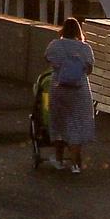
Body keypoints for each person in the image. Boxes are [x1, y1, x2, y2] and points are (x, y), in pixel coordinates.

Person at [42, 16, 96, 173]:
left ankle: (58, 160)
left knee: (59, 123)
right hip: (80, 91)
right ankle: (75, 164)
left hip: (59, 88)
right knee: (76, 126)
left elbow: (47, 59)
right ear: (78, 31)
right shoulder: (85, 48)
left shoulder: (55, 45)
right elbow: (89, 70)